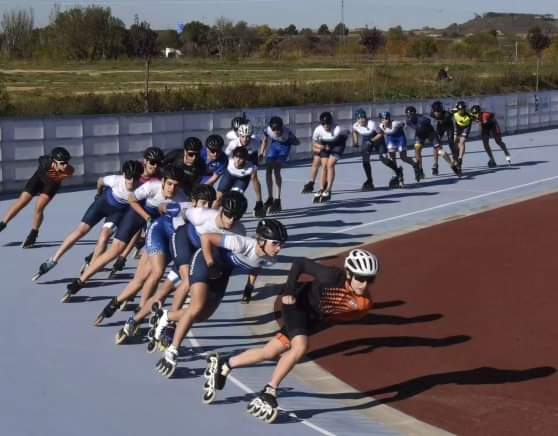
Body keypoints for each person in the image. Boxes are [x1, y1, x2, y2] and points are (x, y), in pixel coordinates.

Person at [201, 249, 378, 423]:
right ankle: (269, 390)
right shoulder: (331, 276)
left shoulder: (364, 305)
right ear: (348, 273)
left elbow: (336, 316)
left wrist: (317, 323)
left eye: (370, 280)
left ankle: (225, 364)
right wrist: (289, 291)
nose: (364, 284)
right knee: (300, 346)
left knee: (269, 352)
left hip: (312, 320)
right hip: (296, 304)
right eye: (360, 278)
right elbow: (299, 263)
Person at [154, 219, 287, 378]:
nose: (279, 248)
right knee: (196, 307)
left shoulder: (271, 259)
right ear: (261, 240)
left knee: (203, 315)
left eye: (281, 244)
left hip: (223, 273)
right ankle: (172, 351)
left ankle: (166, 316)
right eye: (276, 243)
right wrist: (211, 264)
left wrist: (249, 287)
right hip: (205, 261)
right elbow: (206, 238)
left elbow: (256, 267)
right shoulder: (242, 244)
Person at [60, 164, 188, 303]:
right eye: (169, 184)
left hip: (158, 223)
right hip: (138, 214)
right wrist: (146, 217)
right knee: (115, 250)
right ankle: (81, 281)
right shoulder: (152, 186)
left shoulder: (181, 198)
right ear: (163, 181)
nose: (172, 189)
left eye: (176, 185)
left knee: (148, 261)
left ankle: (132, 293)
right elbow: (132, 200)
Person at [31, 160, 143, 282]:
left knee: (104, 236)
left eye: (135, 178)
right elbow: (100, 181)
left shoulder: (141, 189)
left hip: (118, 212)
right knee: (81, 230)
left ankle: (91, 267)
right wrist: (98, 194)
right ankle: (53, 260)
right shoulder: (115, 180)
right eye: (128, 177)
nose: (131, 181)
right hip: (102, 204)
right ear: (123, 174)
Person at [83, 146, 165, 278]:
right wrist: (99, 195)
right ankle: (93, 259)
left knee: (133, 232)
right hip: (121, 206)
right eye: (152, 162)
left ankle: (120, 257)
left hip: (136, 209)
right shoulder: (134, 169)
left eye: (158, 163)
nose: (155, 166)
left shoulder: (159, 179)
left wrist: (123, 257)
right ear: (145, 161)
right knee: (105, 236)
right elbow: (121, 181)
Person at [0, 147, 74, 248]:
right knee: (22, 201)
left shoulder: (69, 170)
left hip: (51, 185)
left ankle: (33, 234)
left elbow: (60, 176)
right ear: (53, 161)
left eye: (67, 162)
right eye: (62, 163)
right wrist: (51, 168)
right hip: (38, 179)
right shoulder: (45, 162)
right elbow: (41, 159)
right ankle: (3, 223)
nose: (65, 165)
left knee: (39, 208)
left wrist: (59, 170)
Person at [302, 112, 348, 203]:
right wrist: (322, 147)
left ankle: (329, 189)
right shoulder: (318, 130)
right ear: (321, 123)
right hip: (325, 144)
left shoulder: (338, 129)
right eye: (323, 124)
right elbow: (314, 144)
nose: (326, 126)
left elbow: (347, 134)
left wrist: (337, 144)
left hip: (338, 144)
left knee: (330, 165)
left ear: (332, 122)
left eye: (328, 123)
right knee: (324, 167)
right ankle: (322, 189)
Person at [405, 106, 460, 178]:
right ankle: (420, 169)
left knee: (440, 151)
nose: (410, 117)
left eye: (411, 115)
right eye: (408, 115)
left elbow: (428, 120)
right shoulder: (408, 121)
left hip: (430, 133)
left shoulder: (422, 119)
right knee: (417, 150)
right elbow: (412, 126)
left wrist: (421, 125)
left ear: (415, 113)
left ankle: (452, 165)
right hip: (420, 135)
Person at [259, 116, 299, 213]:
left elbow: (298, 142)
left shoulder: (287, 133)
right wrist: (261, 153)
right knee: (268, 169)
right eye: (274, 130)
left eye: (278, 129)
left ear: (282, 127)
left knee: (276, 170)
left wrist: (292, 141)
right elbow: (264, 140)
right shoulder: (268, 130)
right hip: (274, 146)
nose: (276, 132)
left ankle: (278, 199)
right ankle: (270, 197)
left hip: (284, 148)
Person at [224, 123, 265, 217]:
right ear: (239, 135)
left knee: (254, 176)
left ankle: (259, 202)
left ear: (251, 136)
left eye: (248, 137)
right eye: (243, 137)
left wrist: (262, 153)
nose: (245, 139)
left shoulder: (255, 141)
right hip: (239, 156)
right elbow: (226, 155)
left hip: (251, 156)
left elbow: (263, 141)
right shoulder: (234, 143)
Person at [352, 108, 398, 191]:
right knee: (365, 161)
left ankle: (397, 171)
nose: (361, 120)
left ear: (366, 118)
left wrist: (371, 140)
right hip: (366, 139)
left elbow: (381, 134)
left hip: (378, 139)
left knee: (383, 159)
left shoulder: (371, 124)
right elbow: (354, 131)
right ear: (356, 120)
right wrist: (355, 142)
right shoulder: (355, 125)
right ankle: (369, 180)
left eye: (363, 118)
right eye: (359, 119)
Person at [377, 111, 419, 188]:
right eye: (383, 119)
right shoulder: (380, 126)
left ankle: (415, 165)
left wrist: (404, 126)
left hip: (400, 139)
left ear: (389, 118)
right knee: (392, 160)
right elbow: (380, 135)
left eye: (386, 119)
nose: (385, 121)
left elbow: (404, 124)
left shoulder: (396, 123)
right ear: (380, 120)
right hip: (391, 140)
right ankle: (397, 176)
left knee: (403, 158)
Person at [430, 101, 460, 175]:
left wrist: (454, 110)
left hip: (449, 127)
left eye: (439, 112)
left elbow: (453, 111)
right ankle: (435, 164)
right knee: (436, 145)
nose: (437, 113)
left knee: (451, 144)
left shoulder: (447, 114)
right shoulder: (432, 114)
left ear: (441, 110)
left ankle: (456, 162)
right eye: (435, 112)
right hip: (440, 127)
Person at [451, 101, 474, 172]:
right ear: (457, 109)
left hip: (466, 128)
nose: (461, 111)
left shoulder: (469, 116)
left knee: (462, 142)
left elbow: (477, 119)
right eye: (459, 109)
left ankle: (460, 159)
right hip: (457, 127)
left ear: (465, 109)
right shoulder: (454, 113)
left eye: (463, 109)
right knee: (455, 143)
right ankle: (455, 158)